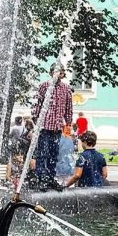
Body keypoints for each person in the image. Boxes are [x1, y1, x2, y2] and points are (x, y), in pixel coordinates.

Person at [32, 63, 73, 191]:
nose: (58, 75)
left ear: (62, 74)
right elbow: (37, 104)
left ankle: (50, 178)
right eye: (55, 72)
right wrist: (35, 120)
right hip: (44, 127)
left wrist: (68, 124)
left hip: (57, 128)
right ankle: (40, 179)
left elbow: (68, 108)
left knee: (54, 154)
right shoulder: (44, 86)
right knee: (42, 154)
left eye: (60, 72)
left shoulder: (66, 89)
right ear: (51, 73)